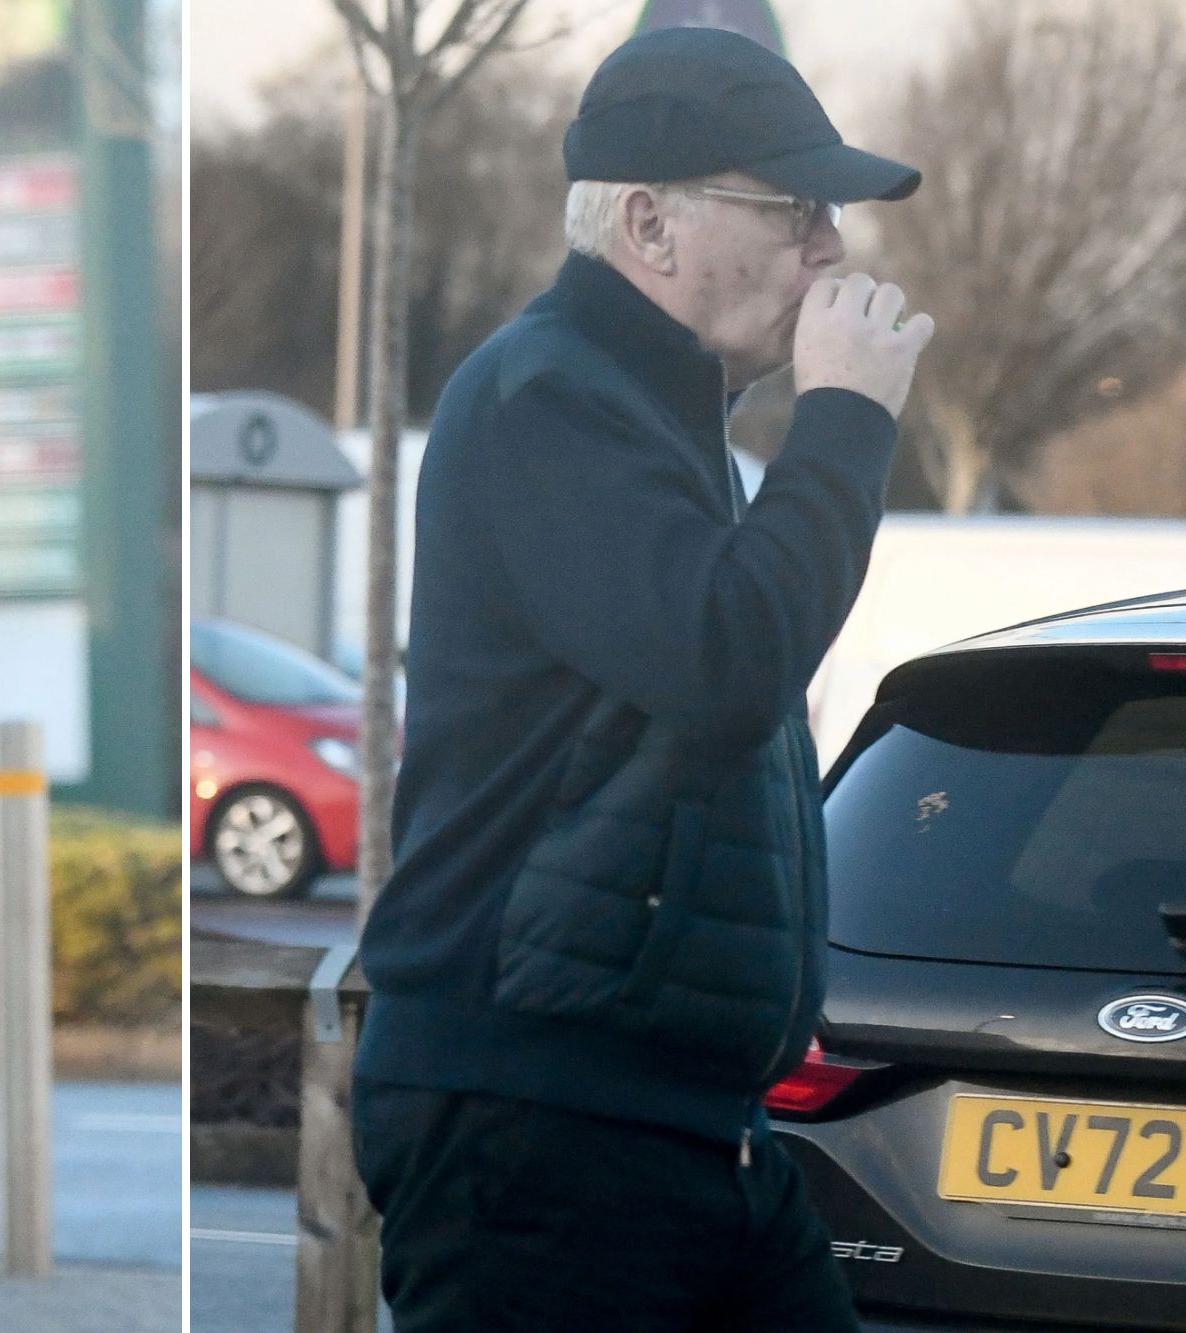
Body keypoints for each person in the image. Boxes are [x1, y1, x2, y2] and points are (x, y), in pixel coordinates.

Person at [350, 27, 935, 1332]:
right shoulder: (546, 401)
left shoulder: (656, 421)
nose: (830, 249)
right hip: (539, 1128)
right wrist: (846, 420)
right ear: (646, 223)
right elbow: (725, 660)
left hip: (685, 1127)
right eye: (792, 210)